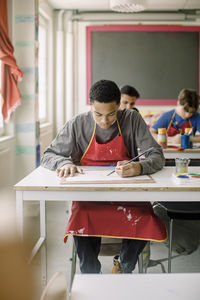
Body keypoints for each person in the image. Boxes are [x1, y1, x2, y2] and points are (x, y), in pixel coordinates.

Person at [41, 79, 167, 274]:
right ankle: (91, 277)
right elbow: (48, 155)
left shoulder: (132, 119)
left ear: (119, 106)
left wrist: (139, 167)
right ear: (90, 106)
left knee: (146, 216)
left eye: (111, 114)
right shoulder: (77, 123)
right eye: (97, 114)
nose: (104, 121)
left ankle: (124, 266)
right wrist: (64, 162)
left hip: (128, 194)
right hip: (89, 196)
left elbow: (157, 156)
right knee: (80, 219)